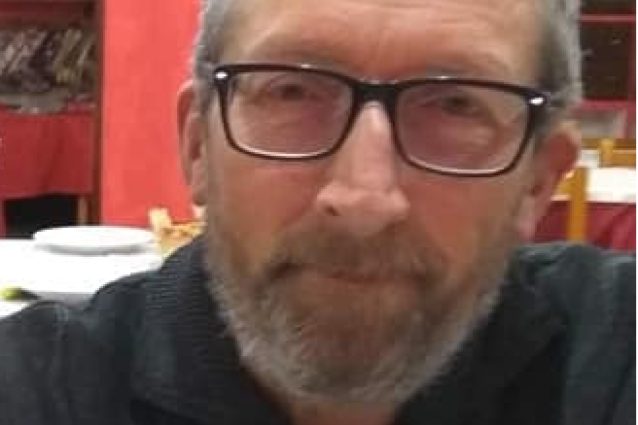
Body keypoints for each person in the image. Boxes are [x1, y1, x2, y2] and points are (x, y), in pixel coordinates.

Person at [0, 0, 634, 424]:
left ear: (537, 180)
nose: (363, 200)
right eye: (293, 91)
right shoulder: (36, 391)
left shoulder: (613, 360)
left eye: (456, 105)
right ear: (197, 146)